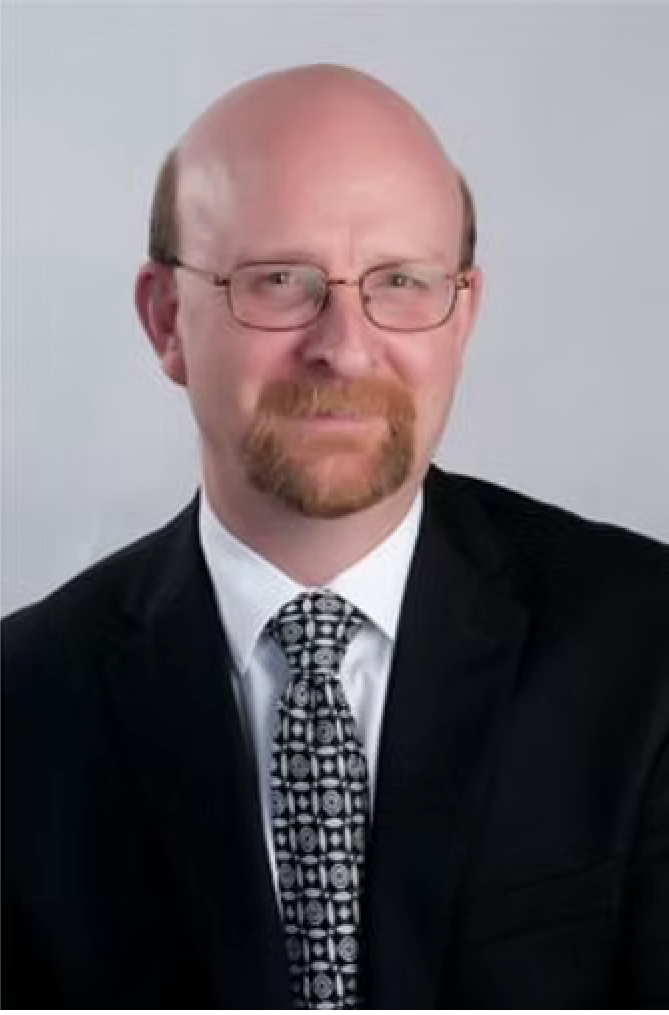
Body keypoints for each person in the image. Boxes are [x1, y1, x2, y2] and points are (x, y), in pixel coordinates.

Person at [3, 63, 668, 1009]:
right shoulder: (22, 710)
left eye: (400, 281)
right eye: (280, 280)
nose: (345, 346)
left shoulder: (644, 651)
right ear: (165, 321)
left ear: (462, 311)